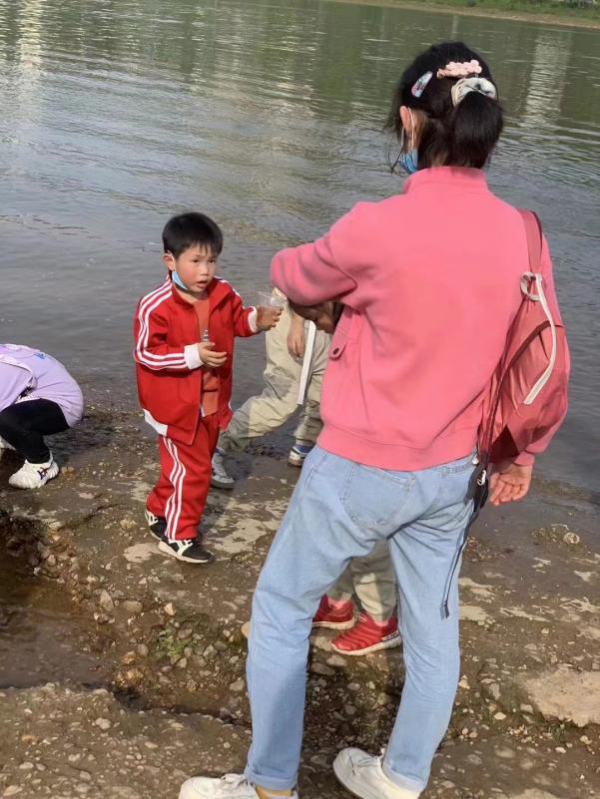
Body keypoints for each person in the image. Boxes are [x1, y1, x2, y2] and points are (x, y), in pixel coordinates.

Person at [179, 41, 568, 799]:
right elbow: (543, 349)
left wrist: (329, 275)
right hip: (457, 472)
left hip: (358, 466)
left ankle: (267, 785)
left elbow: (296, 273)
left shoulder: (375, 225)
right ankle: (401, 775)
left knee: (284, 607)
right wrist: (524, 453)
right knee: (433, 630)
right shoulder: (525, 231)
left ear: (407, 121)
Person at [134, 212, 281, 565]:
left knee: (182, 467)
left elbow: (236, 321)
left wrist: (255, 321)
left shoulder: (222, 291)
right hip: (176, 406)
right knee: (196, 470)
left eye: (211, 260)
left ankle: (157, 509)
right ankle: (178, 536)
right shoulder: (156, 305)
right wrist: (191, 355)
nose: (205, 271)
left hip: (213, 403)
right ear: (170, 260)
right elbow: (146, 355)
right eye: (195, 261)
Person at [210, 289, 330, 489]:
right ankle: (218, 447)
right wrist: (298, 323)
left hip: (328, 315)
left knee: (325, 392)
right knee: (283, 398)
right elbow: (298, 273)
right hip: (296, 312)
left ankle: (304, 447)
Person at [0, 344, 83, 489]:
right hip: (32, 395)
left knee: (7, 420)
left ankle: (41, 462)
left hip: (63, 405)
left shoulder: (4, 369)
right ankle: (13, 438)